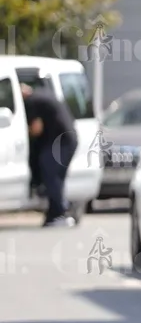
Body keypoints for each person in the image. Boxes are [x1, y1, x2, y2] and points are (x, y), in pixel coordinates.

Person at [21, 83, 79, 227]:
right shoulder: (44, 94)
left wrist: (24, 132)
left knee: (51, 176)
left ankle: (60, 213)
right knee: (56, 179)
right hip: (69, 139)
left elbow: (36, 128)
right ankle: (59, 210)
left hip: (59, 142)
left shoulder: (31, 102)